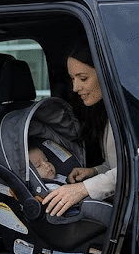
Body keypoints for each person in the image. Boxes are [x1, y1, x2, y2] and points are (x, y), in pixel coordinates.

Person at [42, 42, 116, 217]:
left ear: (106, 73)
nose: (75, 88)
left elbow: (133, 169)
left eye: (83, 78)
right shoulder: (107, 115)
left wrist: (83, 189)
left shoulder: (131, 113)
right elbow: (118, 166)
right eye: (72, 79)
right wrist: (94, 171)